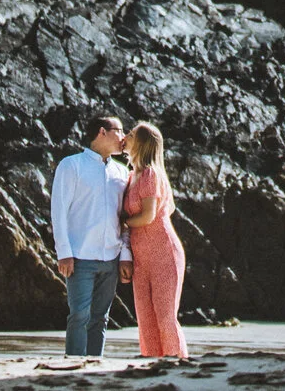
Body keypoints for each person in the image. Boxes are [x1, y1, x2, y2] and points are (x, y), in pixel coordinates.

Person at [49, 111, 132, 363]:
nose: (124, 137)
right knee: (79, 315)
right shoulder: (71, 165)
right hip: (79, 256)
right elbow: (58, 210)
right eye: (119, 131)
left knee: (101, 317)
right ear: (102, 132)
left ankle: (95, 366)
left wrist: (125, 256)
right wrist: (64, 252)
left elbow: (126, 220)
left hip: (111, 257)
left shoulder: (122, 172)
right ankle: (74, 363)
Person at [121, 121, 188, 362]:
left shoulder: (150, 174)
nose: (125, 137)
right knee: (145, 317)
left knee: (165, 315)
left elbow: (148, 216)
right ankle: (152, 364)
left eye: (130, 134)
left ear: (141, 143)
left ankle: (177, 362)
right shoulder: (131, 176)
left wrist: (122, 223)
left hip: (163, 252)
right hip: (142, 257)